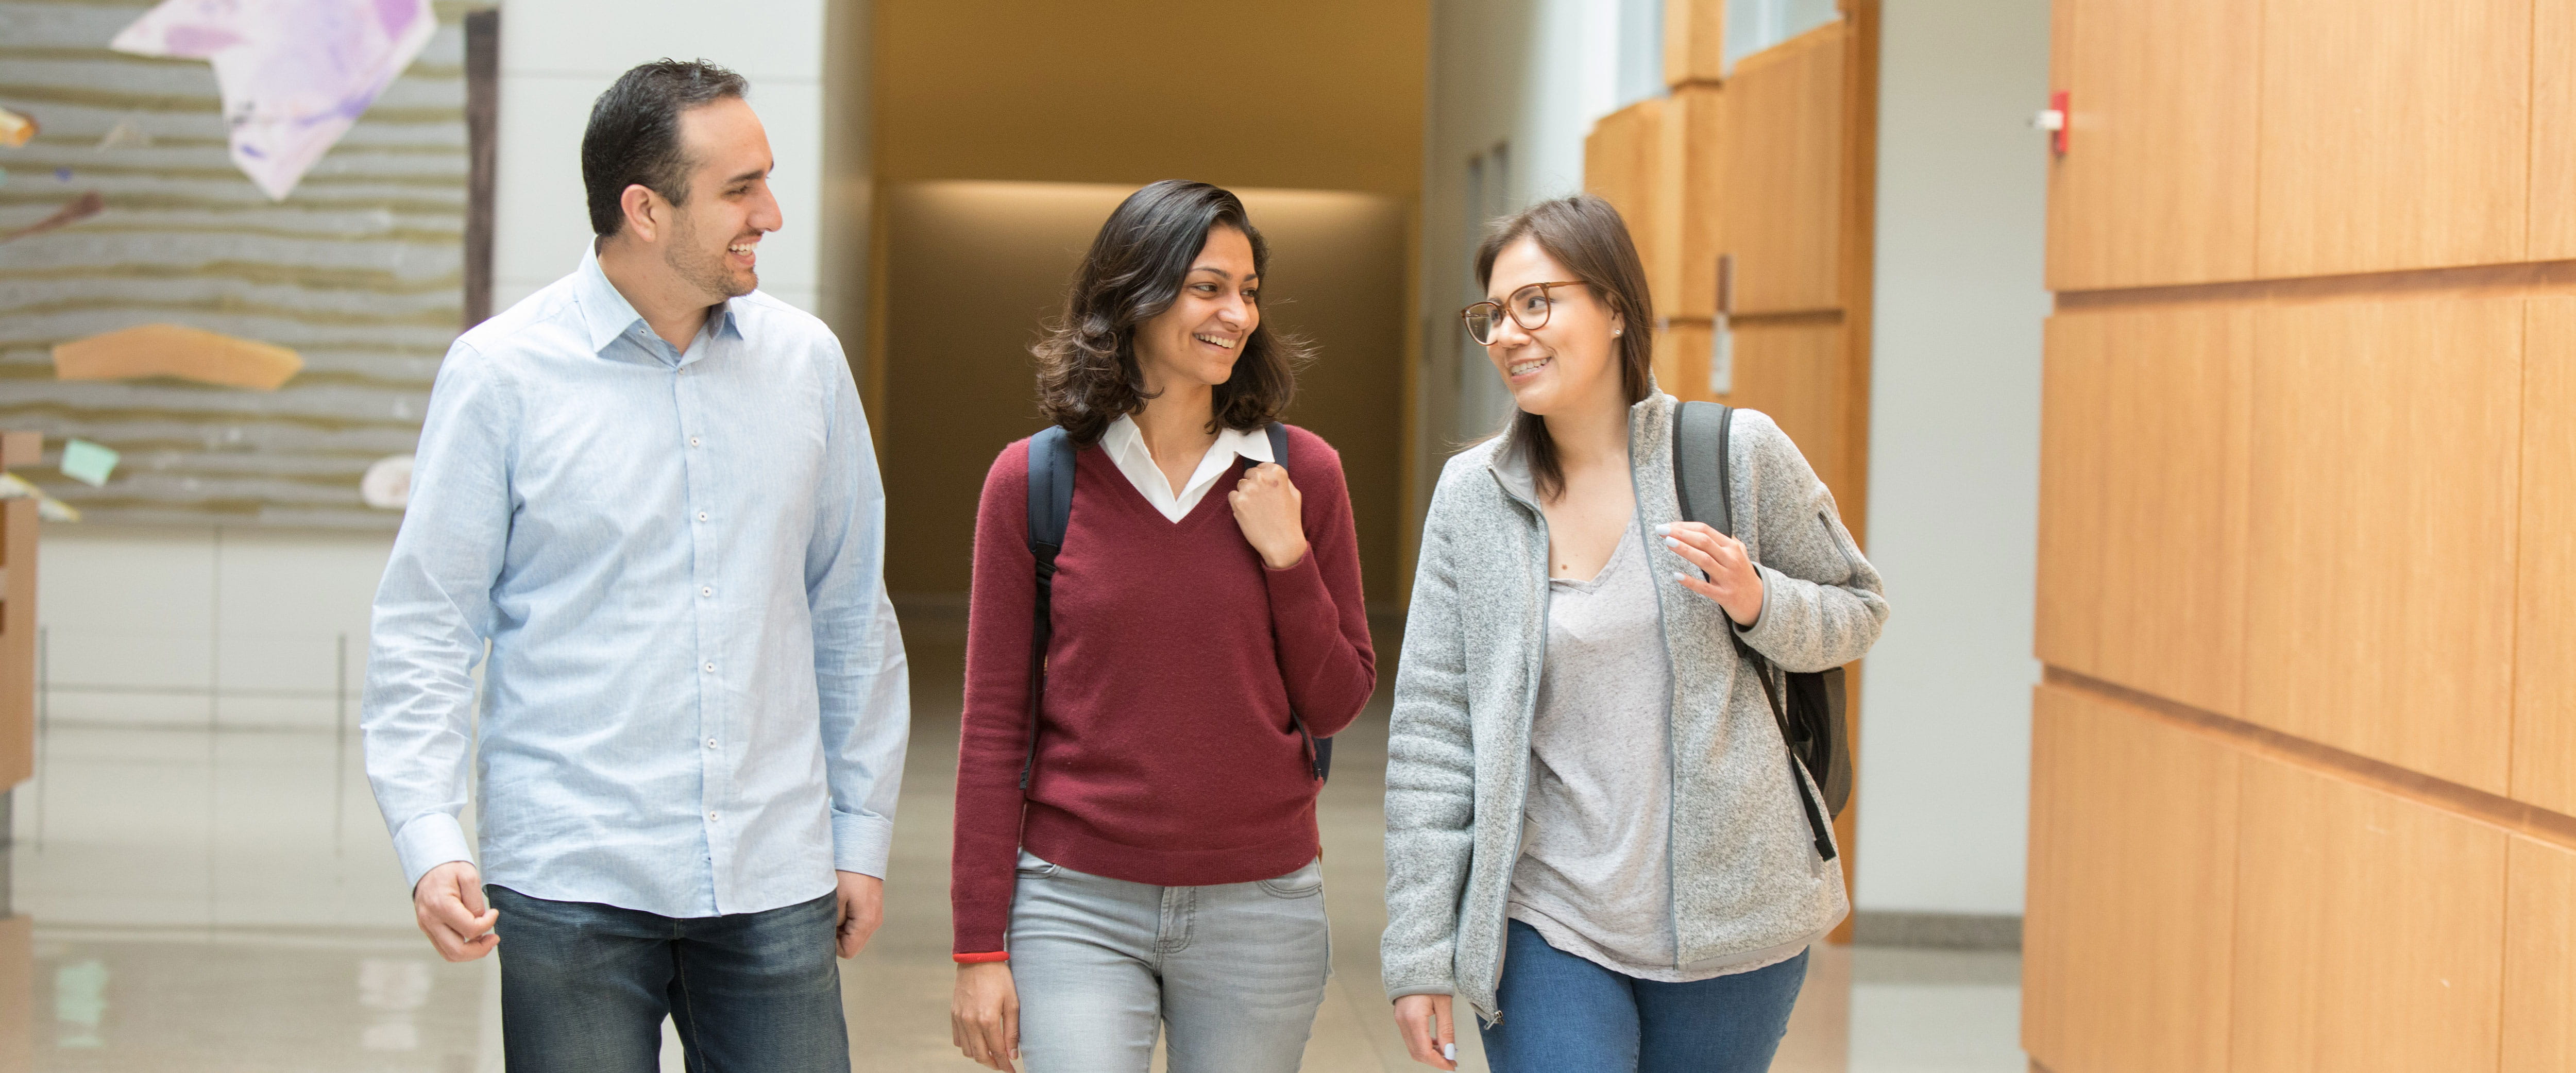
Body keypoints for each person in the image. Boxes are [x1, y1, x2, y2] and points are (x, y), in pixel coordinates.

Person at [362, 59, 908, 1072]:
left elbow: (848, 612)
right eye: (740, 190)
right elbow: (430, 620)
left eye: (768, 179)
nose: (772, 214)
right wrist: (431, 835)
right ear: (644, 210)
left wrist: (859, 830)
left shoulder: (807, 365)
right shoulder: (500, 375)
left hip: (771, 871)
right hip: (572, 875)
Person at [1380, 195, 1888, 1072]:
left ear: (1616, 308)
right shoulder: (1474, 496)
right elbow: (1433, 730)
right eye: (1493, 315)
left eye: (1536, 302)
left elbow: (1858, 609)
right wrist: (1418, 949)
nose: (1508, 333)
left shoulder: (1732, 452)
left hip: (1734, 914)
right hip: (1546, 912)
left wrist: (1758, 600)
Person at [945, 180, 1376, 1073]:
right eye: (1208, 287)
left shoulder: (1303, 474)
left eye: (1249, 290)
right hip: (1075, 902)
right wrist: (978, 947)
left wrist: (1289, 562)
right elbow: (993, 728)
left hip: (1260, 903)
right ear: (1134, 294)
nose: (1238, 314)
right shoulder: (1033, 482)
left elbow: (1335, 702)